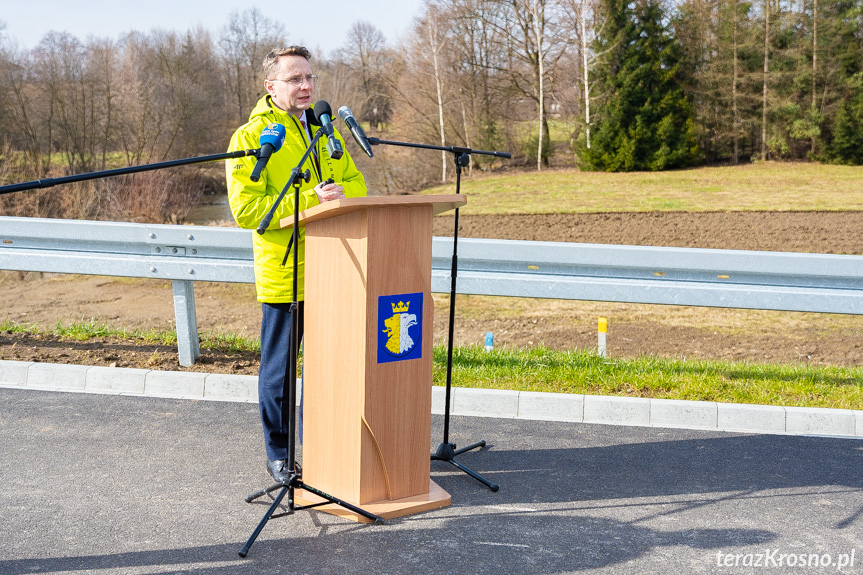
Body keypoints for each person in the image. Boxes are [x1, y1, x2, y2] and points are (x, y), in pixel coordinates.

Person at [225, 46, 367, 484]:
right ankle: (281, 456)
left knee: (332, 370)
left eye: (309, 77)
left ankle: (330, 448)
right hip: (287, 274)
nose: (306, 86)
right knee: (281, 377)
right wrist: (313, 200)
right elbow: (249, 211)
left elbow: (357, 185)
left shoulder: (326, 131)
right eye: (294, 79)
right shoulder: (252, 139)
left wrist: (344, 196)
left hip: (336, 270)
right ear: (271, 86)